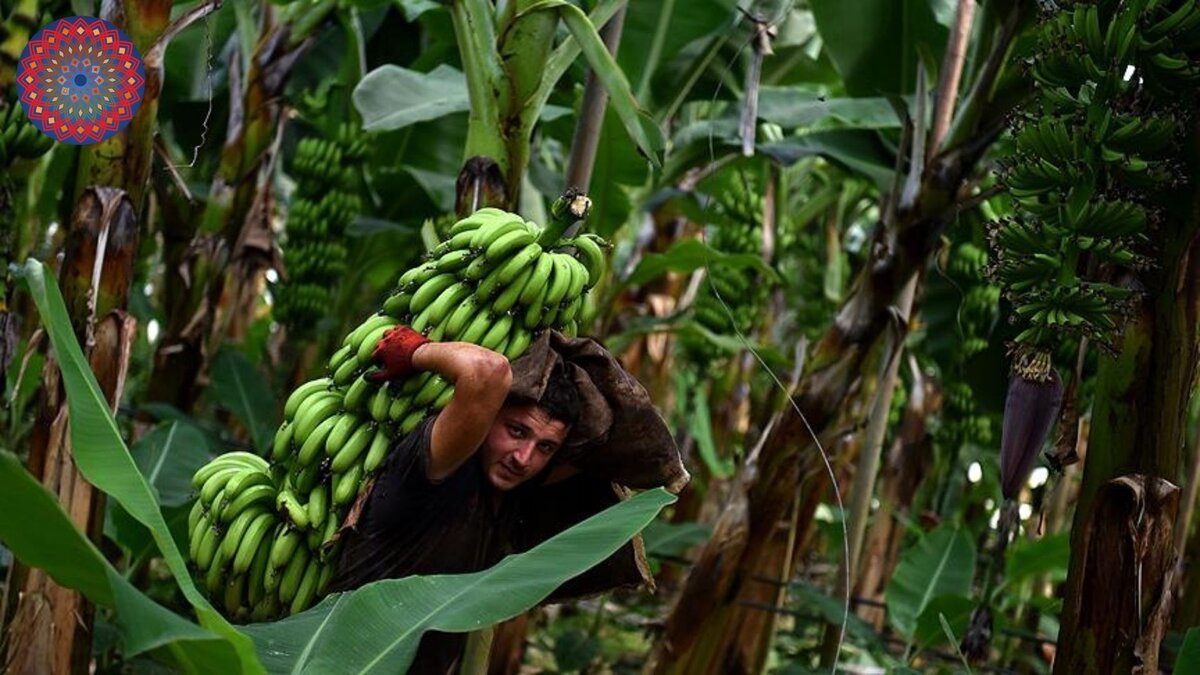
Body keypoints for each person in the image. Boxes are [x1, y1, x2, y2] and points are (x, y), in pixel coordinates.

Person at [328, 325, 662, 674]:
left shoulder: (516, 491)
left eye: (545, 447)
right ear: (487, 418)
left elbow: (629, 444)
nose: (523, 458)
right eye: (517, 431)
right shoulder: (440, 463)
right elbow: (487, 372)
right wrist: (416, 352)